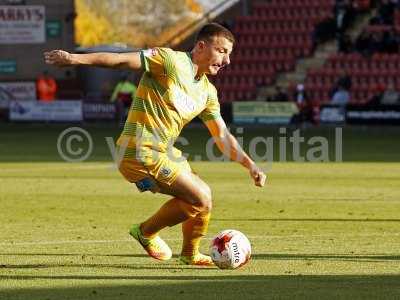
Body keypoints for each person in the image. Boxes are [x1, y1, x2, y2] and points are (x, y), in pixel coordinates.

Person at [44, 23, 266, 266]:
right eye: (222, 51)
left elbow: (222, 135)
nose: (227, 61)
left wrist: (250, 164)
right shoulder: (169, 60)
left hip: (164, 153)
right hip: (138, 152)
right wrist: (75, 59)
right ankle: (146, 232)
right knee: (201, 196)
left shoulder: (207, 92)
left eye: (230, 54)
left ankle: (190, 254)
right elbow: (120, 61)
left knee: (200, 199)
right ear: (201, 46)